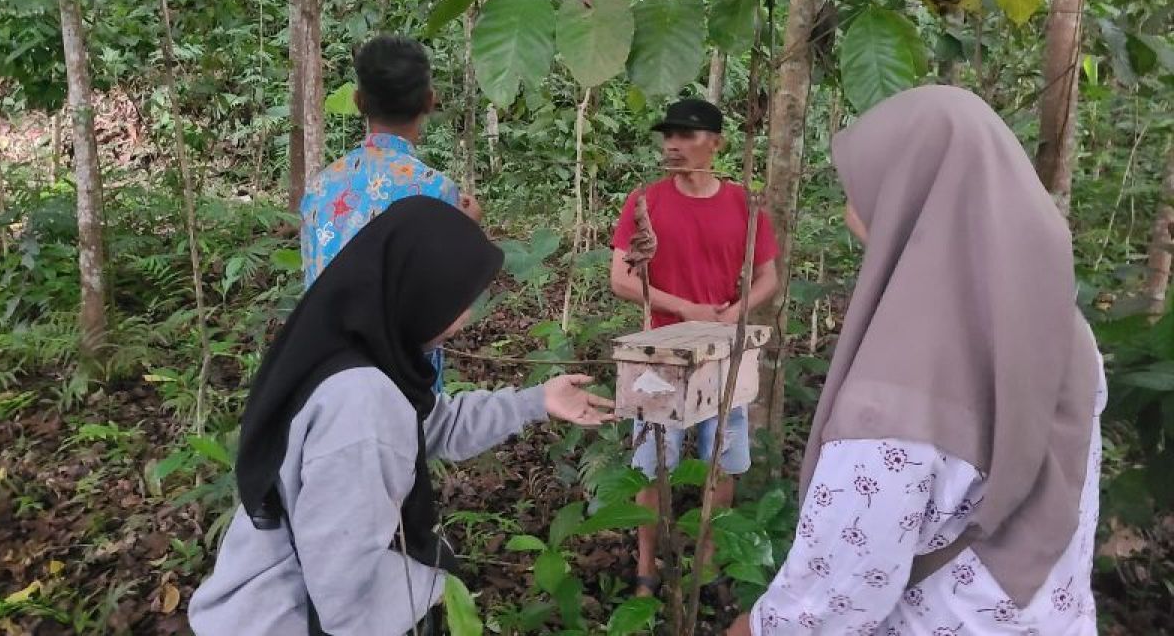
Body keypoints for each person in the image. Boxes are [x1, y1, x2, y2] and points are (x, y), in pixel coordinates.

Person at [726, 86, 1104, 635]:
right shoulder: (1059, 326)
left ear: (913, 194)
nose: (848, 207)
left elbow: (830, 602)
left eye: (864, 186)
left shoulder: (896, 388)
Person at [190, 197, 614, 636]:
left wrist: (536, 401)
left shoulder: (341, 350)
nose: (467, 316)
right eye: (458, 298)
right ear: (417, 293)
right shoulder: (361, 405)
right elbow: (343, 593)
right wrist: (428, 588)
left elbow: (430, 425)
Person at [609, 97, 781, 596]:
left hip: (723, 353)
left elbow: (769, 276)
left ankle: (705, 565)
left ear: (716, 144)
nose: (673, 145)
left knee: (721, 460)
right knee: (649, 465)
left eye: (686, 136)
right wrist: (684, 308)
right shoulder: (647, 200)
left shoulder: (744, 203)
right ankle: (645, 567)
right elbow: (620, 278)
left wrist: (734, 311)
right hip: (658, 353)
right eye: (669, 136)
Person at [299, 34, 480, 393]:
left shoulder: (321, 186)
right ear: (429, 101)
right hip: (401, 385)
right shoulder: (435, 188)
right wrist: (467, 228)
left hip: (327, 378)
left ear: (358, 101)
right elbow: (443, 309)